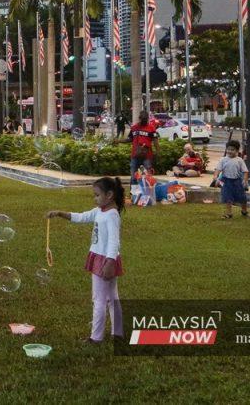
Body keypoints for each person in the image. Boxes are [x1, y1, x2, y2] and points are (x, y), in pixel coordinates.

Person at [47, 177, 125, 344]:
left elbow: (114, 240)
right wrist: (60, 213)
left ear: (109, 195)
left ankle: (96, 337)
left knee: (99, 299)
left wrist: (110, 262)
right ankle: (118, 331)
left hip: (105, 261)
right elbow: (81, 217)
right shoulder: (100, 211)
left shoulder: (111, 215)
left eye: (97, 195)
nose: (94, 198)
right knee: (111, 297)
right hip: (103, 258)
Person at [215, 139, 250, 219]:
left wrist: (244, 181)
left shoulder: (240, 160)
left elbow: (245, 171)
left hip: (237, 181)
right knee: (227, 197)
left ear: (237, 151)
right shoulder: (223, 160)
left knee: (242, 197)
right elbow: (218, 170)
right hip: (226, 181)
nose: (230, 151)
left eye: (232, 149)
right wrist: (216, 178)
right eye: (228, 149)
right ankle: (229, 213)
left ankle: (244, 211)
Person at [128, 111, 159, 181]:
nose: (144, 121)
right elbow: (130, 138)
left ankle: (148, 190)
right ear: (140, 118)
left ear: (147, 119)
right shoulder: (134, 127)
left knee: (148, 176)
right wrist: (119, 141)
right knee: (133, 176)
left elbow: (155, 141)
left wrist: (157, 151)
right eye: (142, 119)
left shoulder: (151, 128)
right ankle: (134, 191)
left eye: (145, 119)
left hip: (147, 155)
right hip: (135, 155)